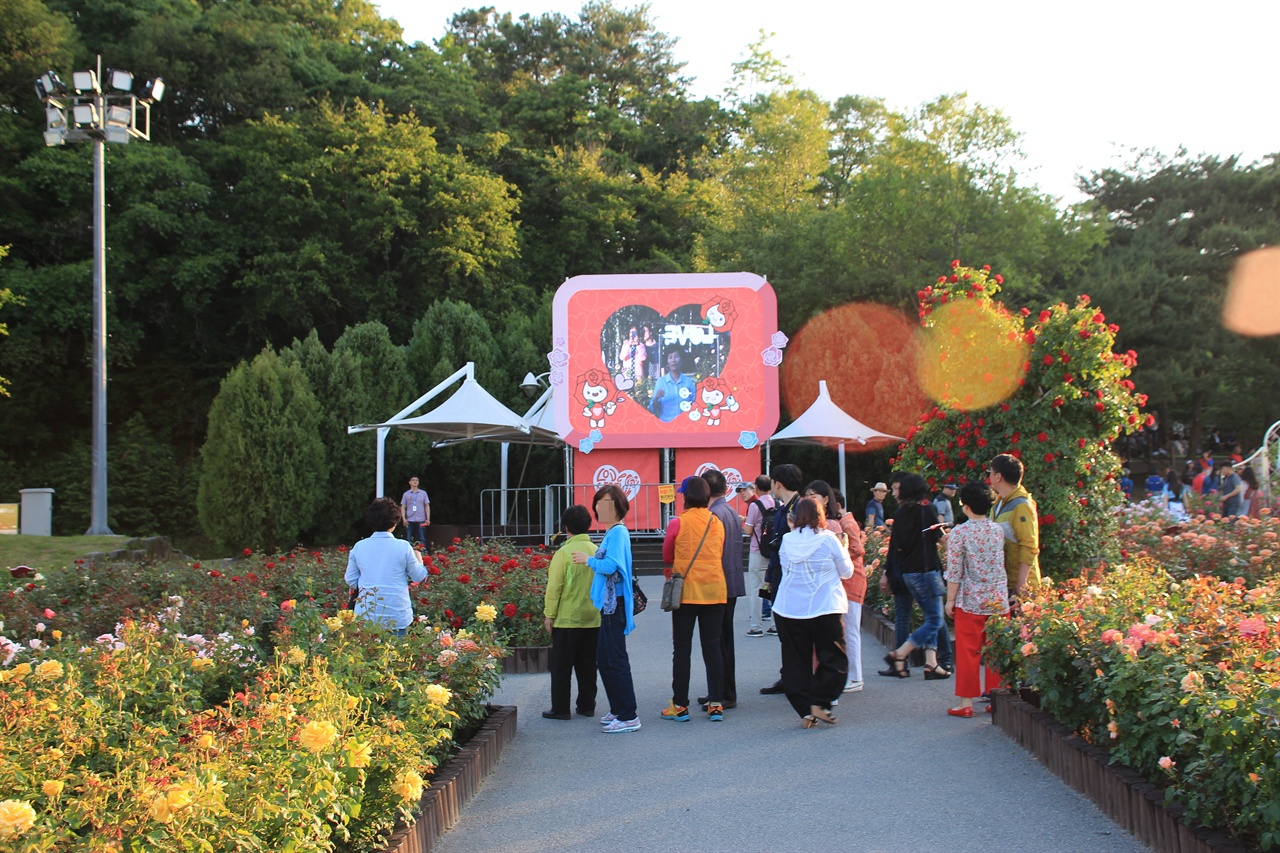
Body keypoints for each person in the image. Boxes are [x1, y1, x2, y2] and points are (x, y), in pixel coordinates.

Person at [774, 495, 854, 728]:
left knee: (795, 662)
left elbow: (786, 569)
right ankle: (820, 700)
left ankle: (805, 709)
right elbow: (847, 571)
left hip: (789, 607)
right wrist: (845, 549)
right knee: (834, 659)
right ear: (821, 516)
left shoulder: (787, 541)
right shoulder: (829, 539)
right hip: (825, 605)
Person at [571, 484, 641, 733]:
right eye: (600, 503)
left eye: (608, 503)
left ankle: (628, 714)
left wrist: (587, 560)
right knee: (606, 657)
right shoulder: (614, 532)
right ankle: (618, 709)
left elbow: (611, 566)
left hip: (616, 604)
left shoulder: (618, 533)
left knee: (615, 659)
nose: (603, 508)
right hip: (612, 604)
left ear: (619, 506)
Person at [661, 476, 728, 722]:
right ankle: (716, 704)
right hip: (714, 590)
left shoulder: (678, 522)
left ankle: (679, 705)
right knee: (712, 648)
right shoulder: (716, 522)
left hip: (686, 593)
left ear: (686, 496)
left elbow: (667, 554)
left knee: (682, 649)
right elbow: (719, 551)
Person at [943, 482, 1009, 717]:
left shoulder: (960, 532)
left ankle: (966, 703)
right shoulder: (997, 530)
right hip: (998, 598)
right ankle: (997, 697)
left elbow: (955, 570)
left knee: (968, 651)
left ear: (966, 506)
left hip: (971, 599)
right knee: (996, 650)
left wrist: (950, 600)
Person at [881, 474, 951, 680]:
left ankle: (931, 663)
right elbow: (941, 539)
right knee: (935, 620)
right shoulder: (928, 511)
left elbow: (896, 545)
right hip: (927, 571)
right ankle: (900, 654)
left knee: (931, 615)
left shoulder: (900, 513)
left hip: (908, 573)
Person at [542, 505, 601, 721]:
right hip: (593, 618)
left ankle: (560, 708)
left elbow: (554, 587)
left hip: (567, 618)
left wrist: (549, 614)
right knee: (588, 665)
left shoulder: (563, 553)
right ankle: (587, 705)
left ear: (566, 527)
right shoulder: (597, 552)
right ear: (589, 525)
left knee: (561, 666)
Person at [344, 497, 427, 634]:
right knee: (397, 653)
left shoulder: (359, 547)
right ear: (395, 521)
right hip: (397, 615)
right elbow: (418, 576)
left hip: (366, 614)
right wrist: (420, 560)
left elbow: (351, 579)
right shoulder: (403, 547)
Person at [701, 468, 745, 709]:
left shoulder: (714, 514)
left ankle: (723, 692)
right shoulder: (728, 511)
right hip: (731, 581)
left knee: (718, 643)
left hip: (719, 585)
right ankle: (719, 690)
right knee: (722, 641)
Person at [759, 463, 804, 695]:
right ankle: (788, 676)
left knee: (792, 631)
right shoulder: (783, 509)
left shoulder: (800, 510)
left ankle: (795, 678)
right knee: (784, 630)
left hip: (792, 579)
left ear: (778, 483)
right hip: (778, 575)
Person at [989, 453, 1041, 606]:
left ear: (998, 477)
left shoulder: (1021, 505)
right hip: (1005, 583)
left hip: (1021, 586)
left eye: (990, 472)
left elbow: (1029, 546)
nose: (989, 476)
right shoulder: (998, 503)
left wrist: (1021, 585)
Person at [833, 488, 867, 692]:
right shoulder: (846, 521)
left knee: (851, 630)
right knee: (849, 630)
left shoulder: (846, 522)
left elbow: (858, 549)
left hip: (852, 581)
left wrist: (839, 558)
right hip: (850, 581)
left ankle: (855, 677)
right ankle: (853, 676)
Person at [740, 476, 777, 637]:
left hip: (757, 551)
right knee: (772, 586)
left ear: (756, 488)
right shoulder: (779, 504)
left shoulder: (755, 506)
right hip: (775, 552)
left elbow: (748, 531)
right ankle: (775, 624)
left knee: (757, 588)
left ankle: (756, 626)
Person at [649, 347, 697, 422]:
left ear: (681, 359)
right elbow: (653, 409)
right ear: (667, 361)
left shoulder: (688, 382)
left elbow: (695, 404)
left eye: (676, 356)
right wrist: (656, 398)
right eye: (670, 357)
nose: (673, 360)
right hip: (666, 426)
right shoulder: (661, 382)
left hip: (685, 425)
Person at [400, 476, 430, 547]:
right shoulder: (406, 494)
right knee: (409, 539)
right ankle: (409, 554)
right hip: (410, 519)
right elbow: (403, 507)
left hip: (421, 519)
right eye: (413, 480)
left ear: (418, 482)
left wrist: (428, 518)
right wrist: (403, 518)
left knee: (422, 538)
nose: (415, 481)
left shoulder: (423, 493)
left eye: (416, 480)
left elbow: (427, 505)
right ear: (410, 482)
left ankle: (423, 554)